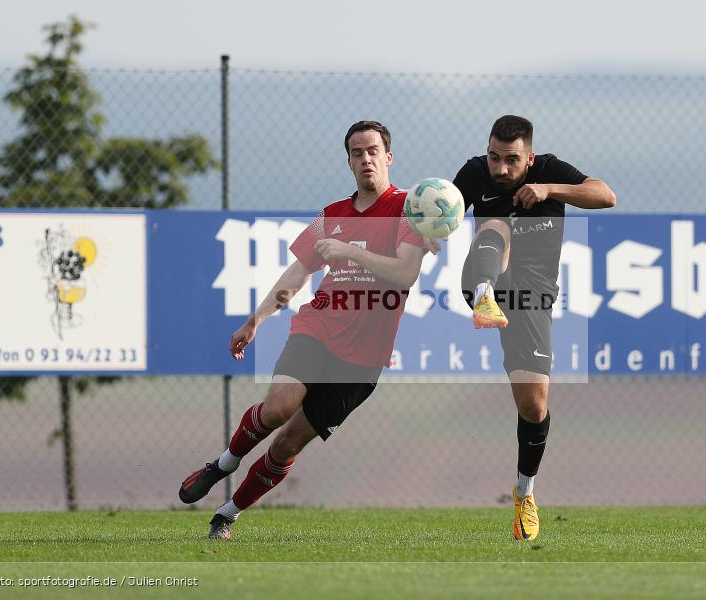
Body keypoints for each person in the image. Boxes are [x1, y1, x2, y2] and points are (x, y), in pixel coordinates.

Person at [179, 120, 427, 540]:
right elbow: (296, 273)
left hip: (363, 361)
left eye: (372, 151)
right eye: (356, 152)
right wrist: (255, 320)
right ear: (348, 161)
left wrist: (349, 251)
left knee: (286, 445)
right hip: (317, 328)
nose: (365, 159)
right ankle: (222, 463)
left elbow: (405, 273)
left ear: (388, 157)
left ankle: (226, 514)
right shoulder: (331, 216)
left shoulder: (408, 211)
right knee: (277, 408)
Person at [454, 115, 616, 541]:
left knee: (533, 405)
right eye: (494, 158)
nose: (501, 169)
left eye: (511, 161)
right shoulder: (474, 173)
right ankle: (485, 294)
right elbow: (447, 210)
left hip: (533, 298)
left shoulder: (549, 171)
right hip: (485, 279)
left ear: (529, 158)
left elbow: (605, 195)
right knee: (495, 225)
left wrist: (549, 190)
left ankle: (525, 493)